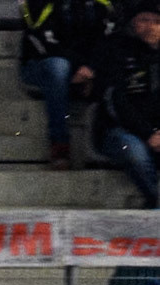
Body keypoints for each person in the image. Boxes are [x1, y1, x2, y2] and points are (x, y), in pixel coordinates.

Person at [19, 0, 119, 170]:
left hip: (86, 69)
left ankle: (109, 147)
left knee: (117, 64)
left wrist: (91, 68)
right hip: (41, 65)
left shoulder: (104, 4)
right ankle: (60, 144)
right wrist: (79, 67)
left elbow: (110, 41)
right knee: (59, 67)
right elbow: (42, 41)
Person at [94, 0, 160, 208]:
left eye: (157, 21)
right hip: (120, 130)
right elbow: (116, 102)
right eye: (144, 20)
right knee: (135, 153)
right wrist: (148, 133)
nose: (151, 26)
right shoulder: (116, 50)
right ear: (133, 23)